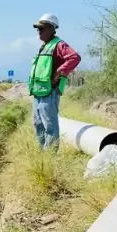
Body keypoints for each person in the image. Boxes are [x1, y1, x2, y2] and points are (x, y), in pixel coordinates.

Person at [28, 13, 80, 150]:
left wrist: (58, 73)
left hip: (50, 92)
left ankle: (50, 156)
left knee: (49, 126)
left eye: (42, 28)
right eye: (38, 29)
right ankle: (42, 155)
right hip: (39, 92)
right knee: (38, 124)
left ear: (52, 28)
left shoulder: (59, 45)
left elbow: (74, 58)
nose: (39, 31)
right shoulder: (44, 46)